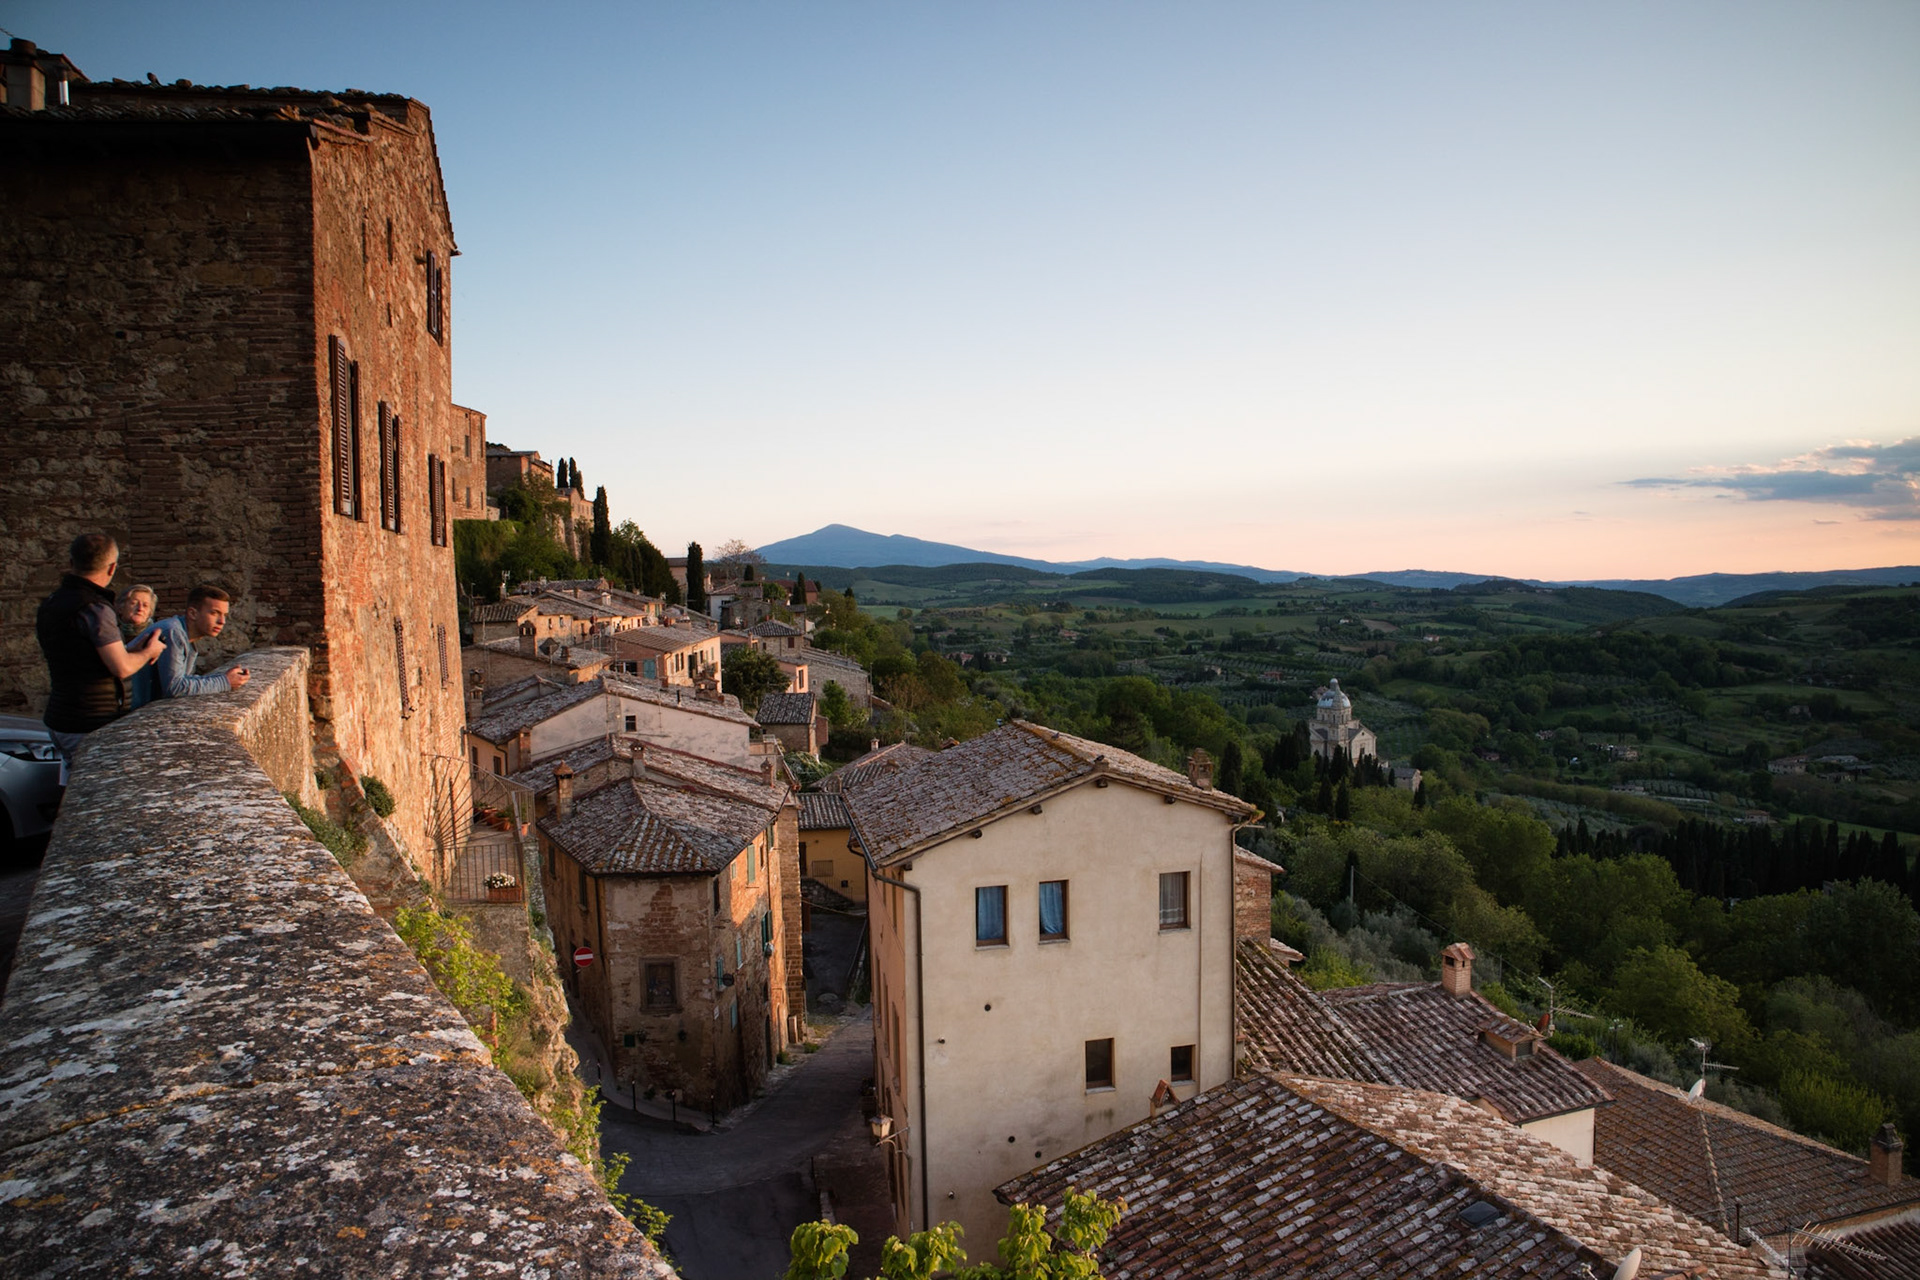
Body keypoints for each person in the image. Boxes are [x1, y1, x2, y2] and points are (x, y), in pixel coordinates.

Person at [36, 534, 166, 781]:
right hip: (89, 722)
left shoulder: (51, 602)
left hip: (60, 716)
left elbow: (82, 655)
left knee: (73, 789)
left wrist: (134, 646)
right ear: (112, 568)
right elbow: (121, 667)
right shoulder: (95, 608)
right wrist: (149, 652)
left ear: (71, 562)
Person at [143, 584, 251, 703]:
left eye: (224, 615)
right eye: (214, 613)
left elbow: (185, 680)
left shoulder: (185, 635)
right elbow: (174, 688)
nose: (222, 622)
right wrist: (225, 682)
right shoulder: (173, 632)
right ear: (193, 613)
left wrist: (225, 678)